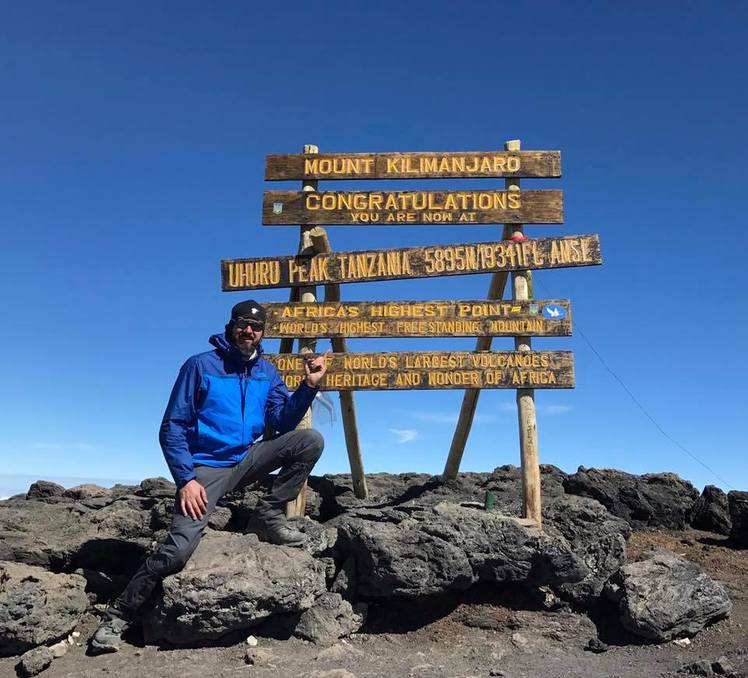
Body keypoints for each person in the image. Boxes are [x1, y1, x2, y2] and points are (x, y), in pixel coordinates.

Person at [90, 299, 328, 654]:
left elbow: (281, 422)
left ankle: (267, 517)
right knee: (178, 551)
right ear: (231, 326)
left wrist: (309, 386)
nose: (249, 331)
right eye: (243, 324)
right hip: (206, 469)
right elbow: (173, 426)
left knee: (309, 440)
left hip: (247, 458)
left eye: (256, 327)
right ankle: (118, 617)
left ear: (263, 333)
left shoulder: (266, 371)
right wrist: (186, 479)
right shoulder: (201, 365)